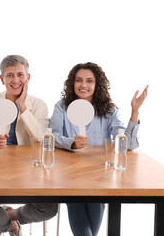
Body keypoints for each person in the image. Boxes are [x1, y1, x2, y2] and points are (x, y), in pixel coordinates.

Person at [49, 62, 148, 236]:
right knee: (76, 200)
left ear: (97, 84)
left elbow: (127, 145)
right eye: (79, 80)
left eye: (89, 81)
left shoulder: (109, 110)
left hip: (99, 175)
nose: (83, 85)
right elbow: (51, 137)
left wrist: (135, 112)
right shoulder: (62, 107)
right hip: (69, 174)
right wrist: (71, 142)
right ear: (73, 83)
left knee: (96, 201)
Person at [0, 55, 58, 235]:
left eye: (20, 75)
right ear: (2, 79)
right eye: (10, 75)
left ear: (28, 78)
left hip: (30, 169)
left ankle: (9, 215)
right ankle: (9, 226)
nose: (15, 80)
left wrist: (22, 106)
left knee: (49, 208)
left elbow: (43, 137)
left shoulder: (38, 105)